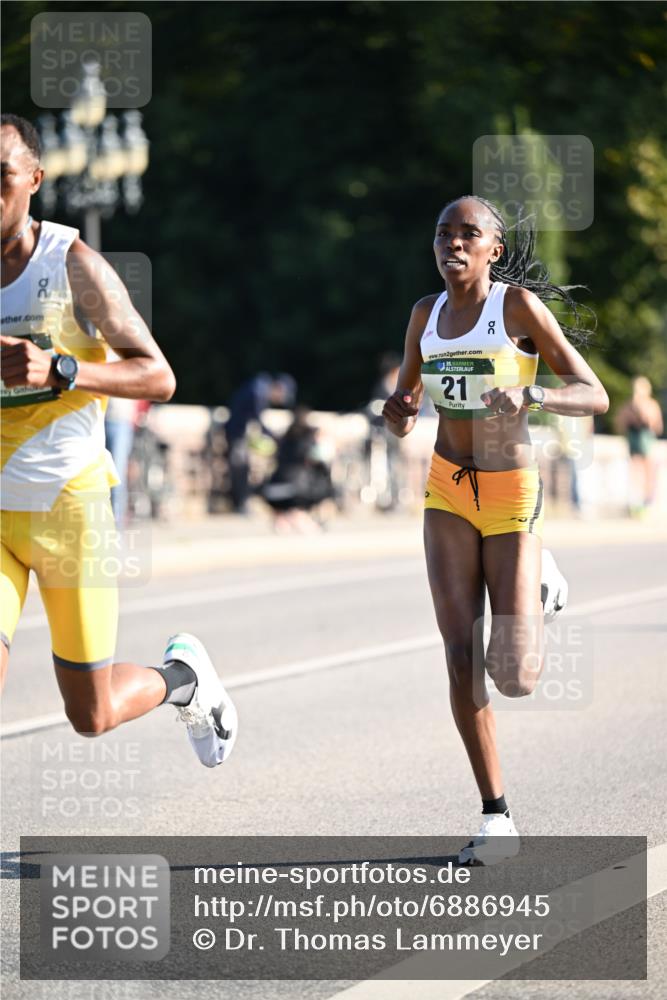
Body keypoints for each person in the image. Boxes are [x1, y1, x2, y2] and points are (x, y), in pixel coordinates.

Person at [0, 114, 236, 768]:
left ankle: (184, 678)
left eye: (1, 177)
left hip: (68, 507)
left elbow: (158, 375)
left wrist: (62, 369)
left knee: (92, 714)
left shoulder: (72, 263)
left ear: (35, 180)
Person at [383, 196, 608, 864]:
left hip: (511, 493)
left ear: (493, 249)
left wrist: (533, 394)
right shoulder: (423, 315)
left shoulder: (515, 310)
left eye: (467, 234)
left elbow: (593, 393)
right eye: (442, 234)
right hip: (447, 488)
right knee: (459, 654)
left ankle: (540, 577)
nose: (452, 244)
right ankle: (495, 816)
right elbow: (406, 409)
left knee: (514, 678)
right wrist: (398, 413)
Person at [225, 372, 296, 513]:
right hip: (236, 433)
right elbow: (257, 419)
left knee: (243, 467)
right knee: (240, 468)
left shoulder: (259, 388)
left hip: (240, 433)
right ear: (279, 388)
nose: (279, 401)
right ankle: (240, 504)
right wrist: (274, 436)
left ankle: (242, 503)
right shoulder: (258, 392)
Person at [261, 406, 335, 532]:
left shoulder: (283, 438)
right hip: (298, 492)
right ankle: (299, 515)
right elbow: (320, 459)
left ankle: (284, 517)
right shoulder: (308, 439)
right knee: (322, 482)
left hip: (272, 489)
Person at [615, 375, 663, 515]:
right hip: (634, 441)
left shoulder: (651, 405)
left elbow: (656, 426)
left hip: (646, 440)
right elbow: (620, 424)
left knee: (648, 473)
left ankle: (648, 502)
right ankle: (635, 502)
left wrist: (641, 411)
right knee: (635, 471)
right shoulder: (628, 406)